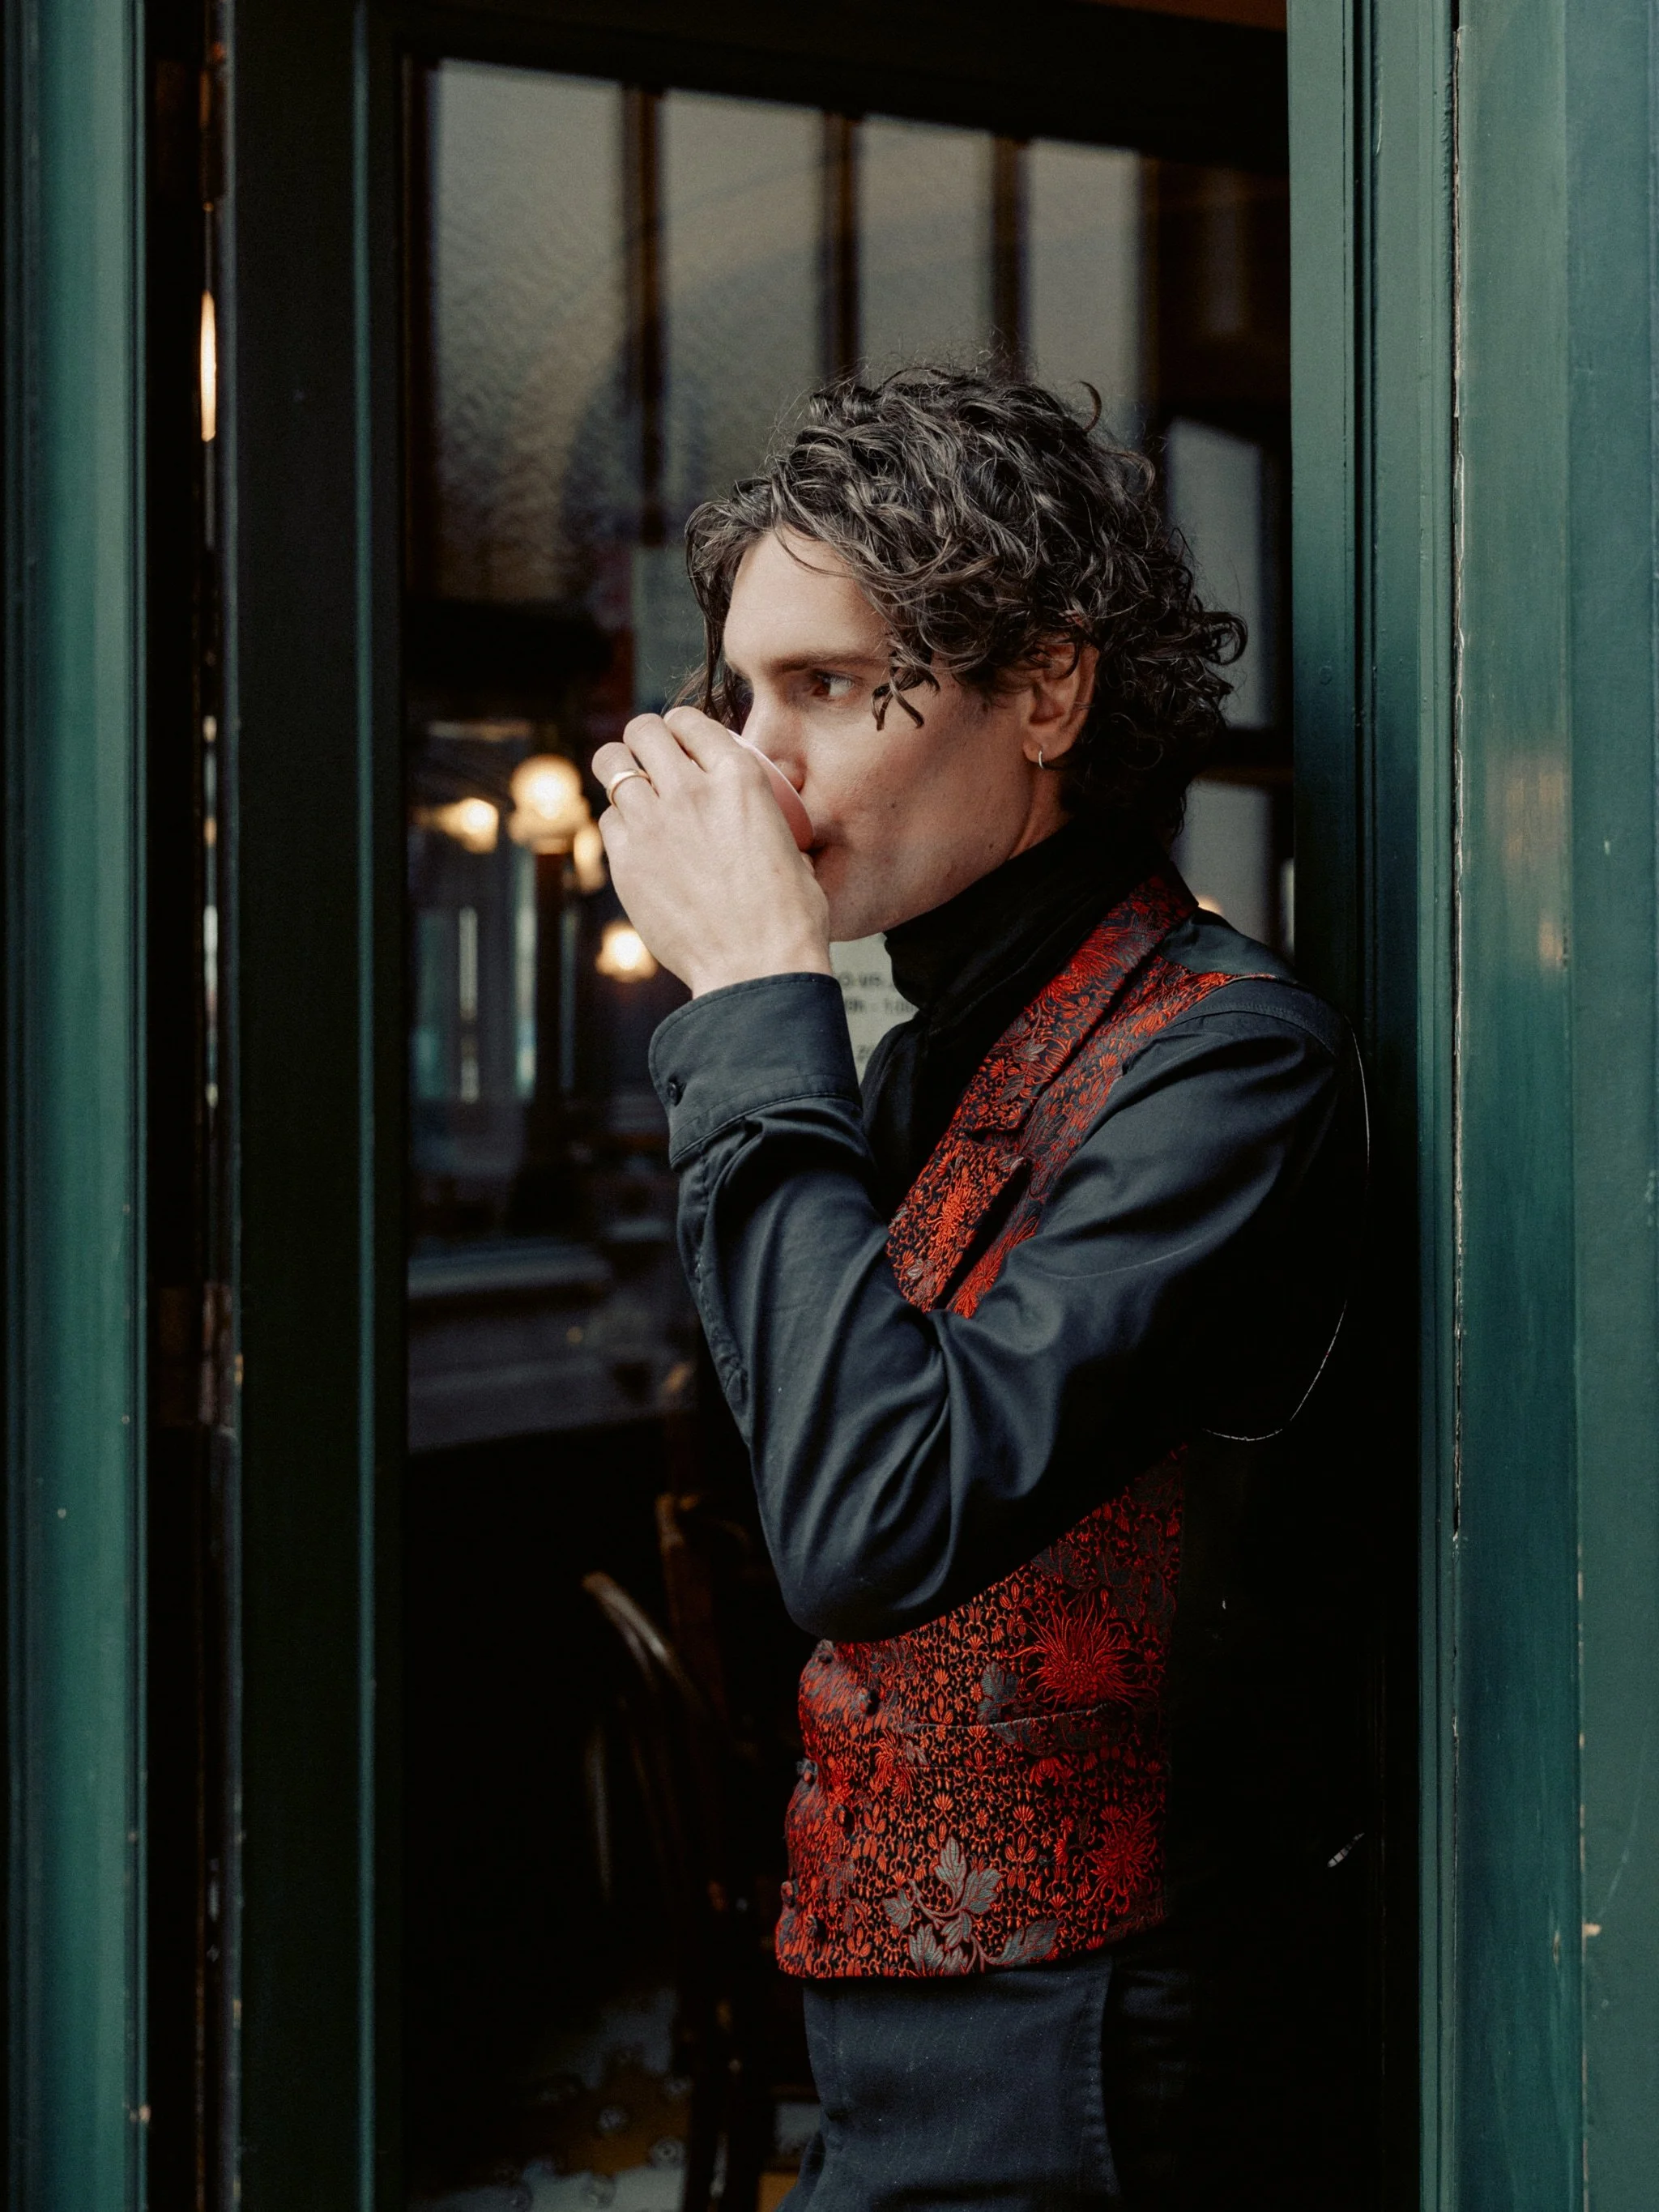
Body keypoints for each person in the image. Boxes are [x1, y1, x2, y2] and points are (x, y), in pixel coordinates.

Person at [594, 369, 1365, 2210]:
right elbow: (789, 1466)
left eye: (830, 687)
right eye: (739, 693)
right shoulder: (933, 1055)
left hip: (1092, 2034)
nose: (758, 757)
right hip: (901, 1998)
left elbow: (870, 1522)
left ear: (1044, 692)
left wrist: (751, 1002)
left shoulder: (1227, 1059)